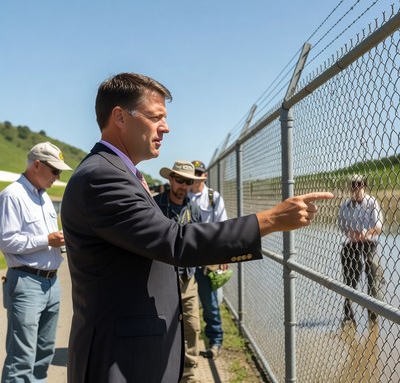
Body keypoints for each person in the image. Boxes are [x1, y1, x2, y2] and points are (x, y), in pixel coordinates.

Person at [60, 72, 333, 383]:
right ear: (120, 117)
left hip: (132, 354)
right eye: (155, 117)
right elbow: (174, 242)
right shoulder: (102, 177)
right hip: (120, 361)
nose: (166, 127)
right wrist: (270, 220)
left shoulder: (120, 173)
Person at [0, 141, 72, 382]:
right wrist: (46, 240)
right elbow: (7, 241)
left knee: (44, 354)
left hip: (51, 285)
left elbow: (49, 240)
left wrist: (59, 242)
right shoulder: (12, 195)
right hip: (27, 282)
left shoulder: (44, 198)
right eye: (54, 171)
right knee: (22, 358)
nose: (57, 176)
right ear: (37, 165)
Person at [154, 160, 205, 383]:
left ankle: (189, 375)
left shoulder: (194, 209)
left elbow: (201, 241)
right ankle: (162, 372)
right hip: (161, 280)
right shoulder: (155, 205)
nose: (183, 185)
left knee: (192, 327)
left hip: (187, 280)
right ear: (170, 180)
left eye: (188, 182)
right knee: (161, 328)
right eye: (180, 180)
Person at [188, 160, 227, 359]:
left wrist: (222, 255)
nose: (196, 177)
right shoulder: (182, 194)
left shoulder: (213, 197)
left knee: (210, 303)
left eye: (199, 173)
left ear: (204, 175)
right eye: (193, 173)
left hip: (206, 258)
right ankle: (185, 345)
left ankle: (215, 342)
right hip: (186, 257)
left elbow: (221, 226)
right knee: (184, 304)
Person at [338, 174, 385, 326]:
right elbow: (342, 225)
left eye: (359, 184)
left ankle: (373, 313)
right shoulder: (345, 205)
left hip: (369, 242)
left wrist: (367, 232)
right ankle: (348, 312)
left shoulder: (372, 202)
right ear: (350, 187)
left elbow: (378, 227)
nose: (356, 187)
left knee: (371, 269)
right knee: (350, 274)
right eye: (354, 184)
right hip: (352, 243)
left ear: (364, 185)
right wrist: (351, 233)